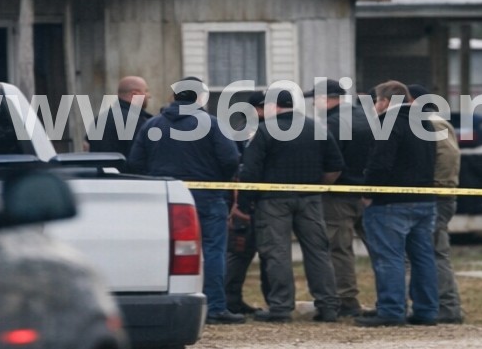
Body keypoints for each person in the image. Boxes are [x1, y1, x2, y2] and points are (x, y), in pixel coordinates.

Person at [128, 77, 244, 324]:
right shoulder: (212, 124)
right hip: (207, 195)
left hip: (165, 196)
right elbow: (231, 159)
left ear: (174, 96)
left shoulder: (152, 125)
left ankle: (161, 301)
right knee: (213, 250)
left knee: (164, 250)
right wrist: (219, 182)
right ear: (200, 97)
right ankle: (214, 307)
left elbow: (135, 163)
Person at [237, 88, 343, 322]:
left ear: (273, 107)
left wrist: (244, 205)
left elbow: (250, 172)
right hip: (310, 198)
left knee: (277, 253)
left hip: (272, 201)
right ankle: (328, 307)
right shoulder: (315, 127)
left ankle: (281, 308)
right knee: (318, 252)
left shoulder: (264, 131)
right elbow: (335, 166)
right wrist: (318, 188)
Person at [356, 80, 439, 327]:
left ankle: (391, 310)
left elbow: (379, 163)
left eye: (376, 102)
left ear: (384, 102)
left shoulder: (387, 122)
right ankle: (426, 310)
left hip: (391, 203)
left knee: (389, 257)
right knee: (423, 257)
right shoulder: (425, 123)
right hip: (424, 200)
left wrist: (369, 191)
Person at [408, 83, 463, 324]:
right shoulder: (425, 123)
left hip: (437, 197)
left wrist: (435, 188)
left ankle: (448, 306)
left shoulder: (433, 123)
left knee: (435, 252)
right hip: (435, 195)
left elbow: (448, 159)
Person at [319, 79, 372, 317]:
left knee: (340, 248)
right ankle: (395, 297)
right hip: (370, 194)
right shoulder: (367, 117)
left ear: (327, 98)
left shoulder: (332, 123)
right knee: (382, 249)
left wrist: (322, 186)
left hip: (340, 194)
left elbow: (331, 161)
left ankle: (346, 299)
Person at [223, 89, 268, 315]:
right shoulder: (247, 131)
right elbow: (241, 170)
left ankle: (236, 298)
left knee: (265, 252)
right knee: (240, 251)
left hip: (261, 199)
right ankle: (230, 298)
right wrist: (240, 204)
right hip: (247, 201)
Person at [91, 75, 149, 157]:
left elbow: (87, 147)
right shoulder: (137, 120)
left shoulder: (101, 118)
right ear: (134, 94)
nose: (149, 95)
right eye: (146, 91)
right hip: (127, 169)